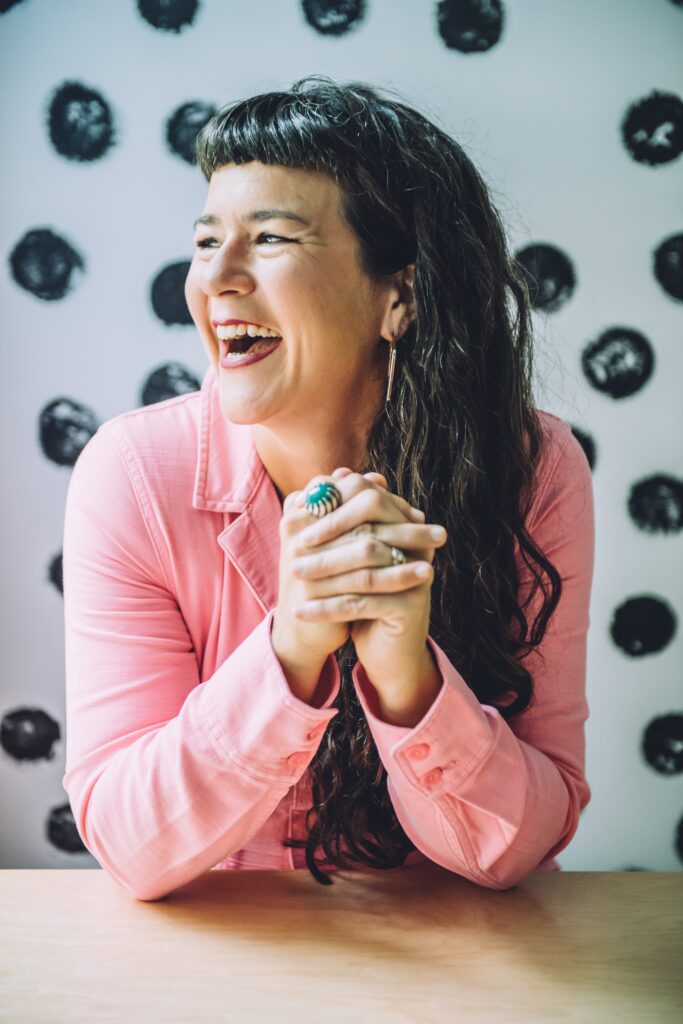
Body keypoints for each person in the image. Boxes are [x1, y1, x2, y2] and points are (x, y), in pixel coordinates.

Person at [62, 76, 595, 902]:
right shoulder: (131, 475)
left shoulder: (536, 470)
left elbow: (517, 848)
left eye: (269, 238)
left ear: (401, 296)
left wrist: (405, 675)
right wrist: (290, 651)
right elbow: (132, 848)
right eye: (207, 242)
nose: (216, 280)